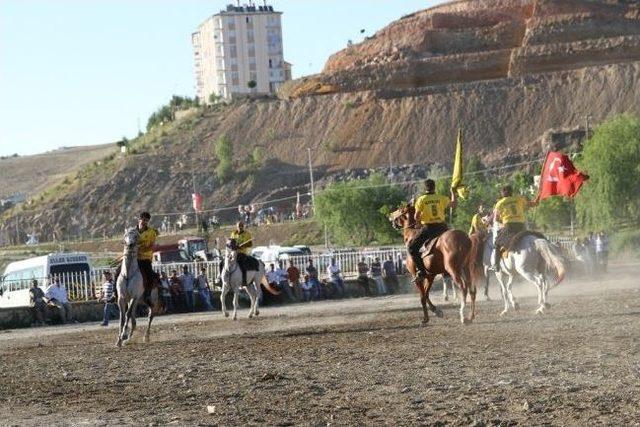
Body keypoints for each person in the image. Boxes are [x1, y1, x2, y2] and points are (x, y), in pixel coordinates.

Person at [409, 179, 456, 284]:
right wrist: (453, 192)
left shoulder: (421, 199)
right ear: (434, 187)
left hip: (429, 228)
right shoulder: (441, 198)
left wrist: (419, 221)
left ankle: (421, 272)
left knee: (412, 248)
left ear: (425, 188)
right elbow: (453, 205)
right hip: (443, 227)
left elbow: (416, 216)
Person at [490, 185, 537, 271]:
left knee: (497, 243)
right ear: (512, 192)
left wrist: (502, 222)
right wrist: (538, 198)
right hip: (522, 226)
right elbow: (533, 204)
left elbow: (496, 219)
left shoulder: (499, 203)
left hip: (509, 227)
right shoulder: (519, 199)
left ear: (502, 193)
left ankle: (496, 265)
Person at [230, 221, 254, 286]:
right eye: (239, 226)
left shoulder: (247, 234)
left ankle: (244, 280)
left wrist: (242, 246)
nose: (240, 228)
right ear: (236, 227)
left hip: (242, 253)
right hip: (233, 252)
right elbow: (231, 243)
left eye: (241, 226)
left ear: (243, 227)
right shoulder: (233, 233)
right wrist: (234, 246)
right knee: (224, 262)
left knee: (242, 264)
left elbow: (250, 244)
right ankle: (222, 278)